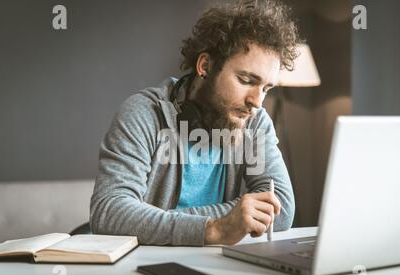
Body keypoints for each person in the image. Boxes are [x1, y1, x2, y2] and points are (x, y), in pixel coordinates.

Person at [90, 0, 300, 246]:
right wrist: (213, 229)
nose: (257, 102)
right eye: (245, 80)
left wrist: (156, 220)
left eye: (266, 88)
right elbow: (109, 211)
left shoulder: (255, 122)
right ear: (205, 66)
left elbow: (281, 208)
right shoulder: (143, 113)